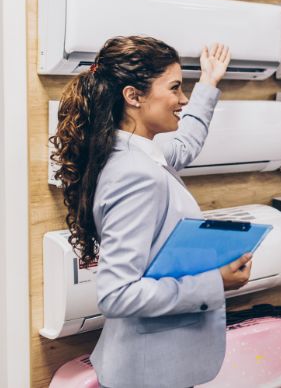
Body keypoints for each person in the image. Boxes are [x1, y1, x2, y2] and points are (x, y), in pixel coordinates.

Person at [51, 36, 252, 388]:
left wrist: (208, 84)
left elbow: (184, 144)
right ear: (134, 96)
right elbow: (117, 294)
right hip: (151, 376)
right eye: (175, 88)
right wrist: (215, 282)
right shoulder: (136, 175)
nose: (183, 98)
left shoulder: (129, 154)